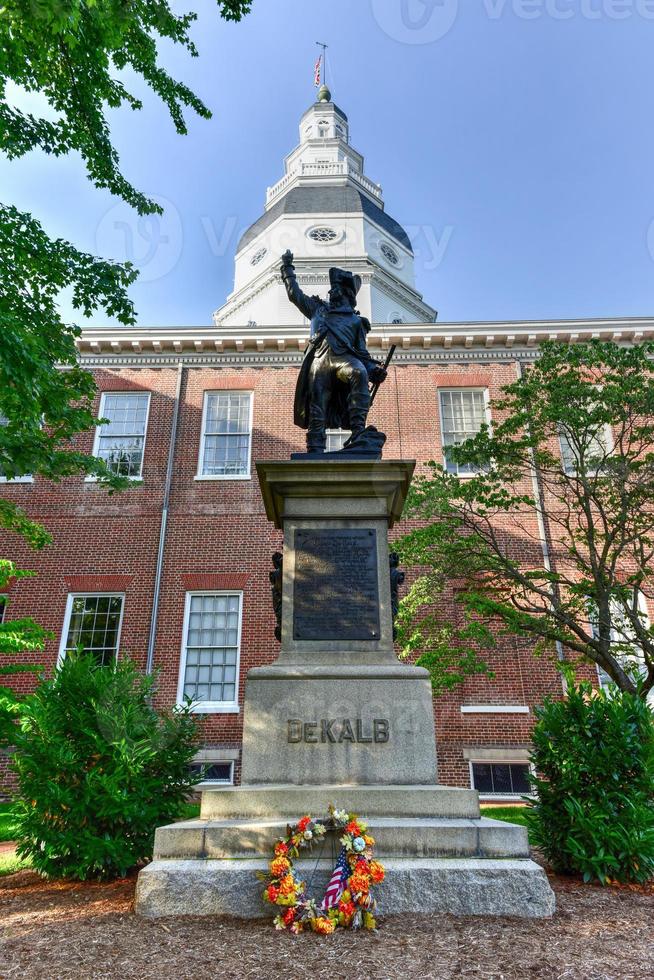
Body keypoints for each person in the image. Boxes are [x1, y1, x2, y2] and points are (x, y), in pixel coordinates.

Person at [280, 250, 388, 453]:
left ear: (346, 293)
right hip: (320, 362)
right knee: (317, 405)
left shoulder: (356, 321)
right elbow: (295, 294)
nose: (331, 292)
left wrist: (374, 371)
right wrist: (287, 269)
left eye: (336, 288)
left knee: (359, 372)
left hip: (344, 361)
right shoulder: (317, 309)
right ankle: (315, 447)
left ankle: (358, 432)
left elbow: (362, 354)